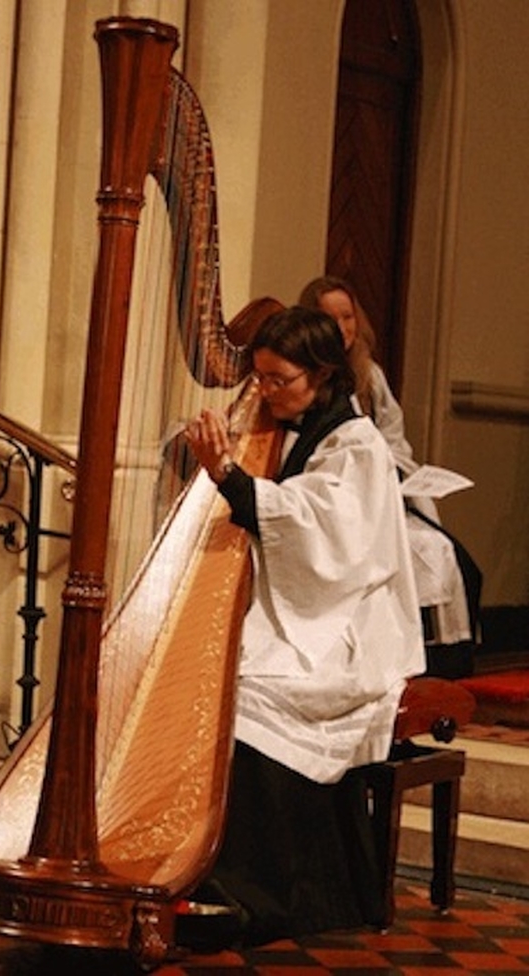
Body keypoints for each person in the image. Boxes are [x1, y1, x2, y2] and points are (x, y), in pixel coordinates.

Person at [181, 306, 425, 947]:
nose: (262, 391)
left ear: (320, 375)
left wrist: (230, 477)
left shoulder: (357, 443)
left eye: (277, 379)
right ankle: (195, 866)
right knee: (220, 677)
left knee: (250, 693)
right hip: (304, 608)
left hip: (347, 625)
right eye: (257, 378)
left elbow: (327, 537)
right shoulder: (288, 422)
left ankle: (263, 892)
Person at [298, 276, 480, 662]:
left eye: (347, 317)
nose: (341, 328)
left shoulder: (369, 375)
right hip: (340, 502)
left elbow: (394, 439)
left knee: (453, 556)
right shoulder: (305, 380)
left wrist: (396, 473)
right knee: (419, 553)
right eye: (329, 318)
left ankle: (443, 661)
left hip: (386, 495)